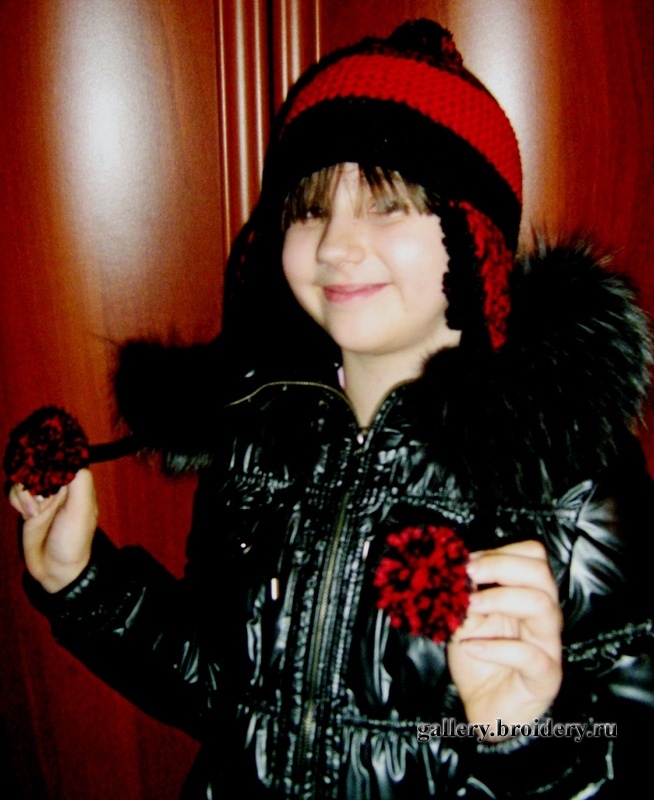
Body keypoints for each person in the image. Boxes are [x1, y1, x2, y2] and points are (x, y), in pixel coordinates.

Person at [8, 18, 654, 799]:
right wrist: (82, 580)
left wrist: (526, 735)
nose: (336, 248)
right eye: (311, 209)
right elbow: (225, 691)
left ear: (473, 233)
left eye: (386, 206)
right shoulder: (260, 427)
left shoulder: (567, 467)